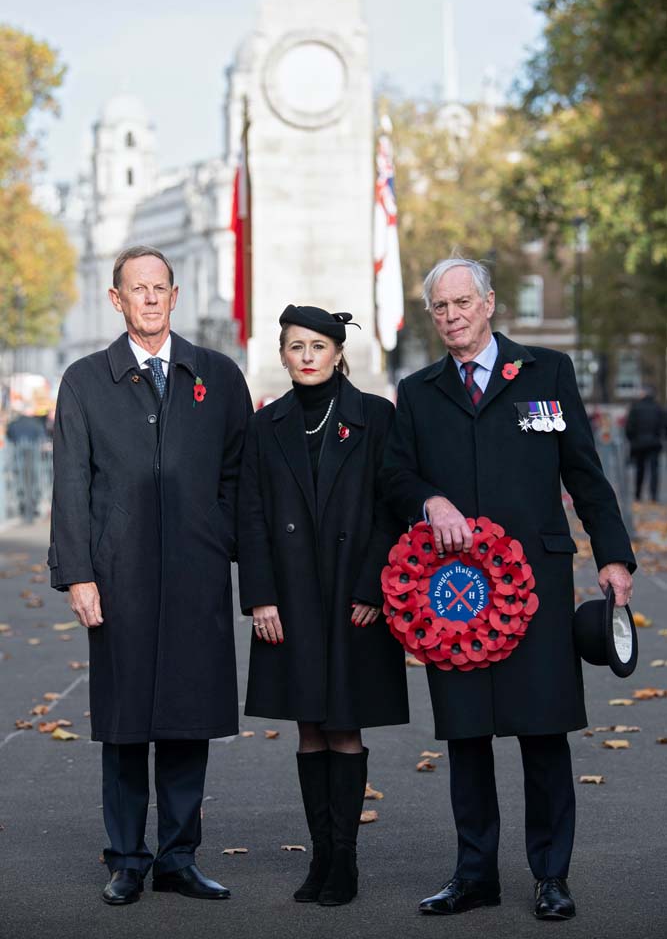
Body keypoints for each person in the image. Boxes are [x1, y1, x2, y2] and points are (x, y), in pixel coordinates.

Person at [382, 258, 635, 921]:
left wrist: (613, 557)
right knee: (466, 737)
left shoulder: (546, 373)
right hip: (453, 596)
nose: (450, 316)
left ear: (489, 303)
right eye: (439, 307)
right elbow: (396, 477)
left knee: (542, 732)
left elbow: (583, 472)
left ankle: (551, 876)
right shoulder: (417, 390)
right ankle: (473, 875)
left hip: (537, 588)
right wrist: (429, 500)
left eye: (461, 302)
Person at [49, 245, 252, 906]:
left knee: (188, 720)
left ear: (174, 293)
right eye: (138, 289)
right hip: (118, 576)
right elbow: (71, 483)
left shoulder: (217, 376)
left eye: (160, 287)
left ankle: (178, 858)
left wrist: (218, 536)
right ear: (118, 299)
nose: (151, 298)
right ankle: (127, 860)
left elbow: (237, 474)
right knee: (125, 723)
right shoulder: (85, 380)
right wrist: (78, 573)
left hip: (195, 574)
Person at [238, 304, 409, 907]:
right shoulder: (267, 424)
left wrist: (374, 586)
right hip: (290, 594)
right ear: (282, 355)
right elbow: (251, 516)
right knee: (309, 724)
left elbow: (393, 508)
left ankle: (346, 862)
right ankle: (320, 858)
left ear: (339, 353)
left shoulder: (375, 418)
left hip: (353, 594)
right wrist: (259, 597)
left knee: (344, 724)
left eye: (318, 346)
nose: (307, 356)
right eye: (295, 347)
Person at [625, 387, 665, 502]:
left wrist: (632, 440)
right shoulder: (658, 408)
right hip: (654, 443)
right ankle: (654, 495)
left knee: (639, 470)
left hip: (639, 444)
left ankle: (638, 494)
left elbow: (629, 428)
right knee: (654, 471)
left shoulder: (635, 408)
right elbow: (663, 426)